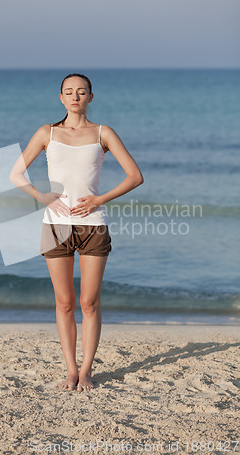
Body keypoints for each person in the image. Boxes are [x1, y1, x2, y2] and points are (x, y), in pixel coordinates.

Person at [10, 73, 144, 392]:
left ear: (90, 97)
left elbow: (135, 176)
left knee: (89, 303)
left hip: (93, 224)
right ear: (61, 98)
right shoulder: (47, 133)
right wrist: (42, 197)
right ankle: (70, 370)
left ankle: (86, 371)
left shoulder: (103, 133)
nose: (75, 96)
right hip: (55, 226)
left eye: (81, 92)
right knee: (64, 302)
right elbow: (16, 173)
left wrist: (99, 199)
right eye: (69, 92)